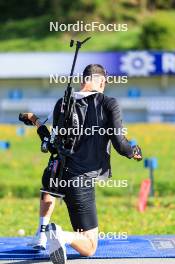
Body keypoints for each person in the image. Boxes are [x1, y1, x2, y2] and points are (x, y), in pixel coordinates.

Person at [23, 64, 142, 264]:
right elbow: (121, 144)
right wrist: (135, 152)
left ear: (82, 81)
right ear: (102, 82)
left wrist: (36, 122)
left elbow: (52, 144)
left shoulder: (62, 103)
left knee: (50, 186)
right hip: (81, 181)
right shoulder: (109, 103)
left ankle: (42, 233)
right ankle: (61, 235)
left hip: (60, 176)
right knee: (90, 247)